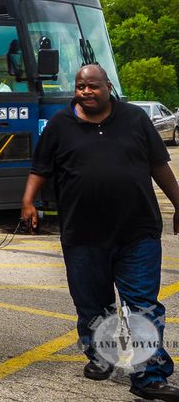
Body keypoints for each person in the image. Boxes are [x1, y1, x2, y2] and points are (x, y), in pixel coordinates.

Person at [21, 64, 179, 400]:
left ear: (108, 86)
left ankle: (150, 377)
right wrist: (28, 201)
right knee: (93, 307)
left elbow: (158, 165)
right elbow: (40, 168)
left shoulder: (135, 119)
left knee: (143, 307)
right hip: (83, 235)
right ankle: (100, 356)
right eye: (81, 87)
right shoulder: (59, 125)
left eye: (93, 86)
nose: (86, 92)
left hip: (137, 232)